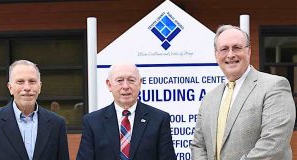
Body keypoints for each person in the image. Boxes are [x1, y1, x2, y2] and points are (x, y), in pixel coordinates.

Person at [190, 24, 296, 159]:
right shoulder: (209, 99)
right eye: (224, 49)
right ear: (216, 55)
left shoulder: (274, 86)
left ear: (249, 51)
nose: (230, 54)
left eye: (237, 48)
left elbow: (273, 143)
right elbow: (198, 146)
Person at [76, 63, 176, 160]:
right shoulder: (92, 122)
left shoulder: (159, 119)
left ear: (140, 83)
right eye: (119, 80)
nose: (125, 86)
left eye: (131, 80)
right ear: (109, 84)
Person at [0, 60, 70, 160]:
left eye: (32, 81)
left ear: (40, 87)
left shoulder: (57, 124)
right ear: (10, 87)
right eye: (20, 82)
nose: (27, 87)